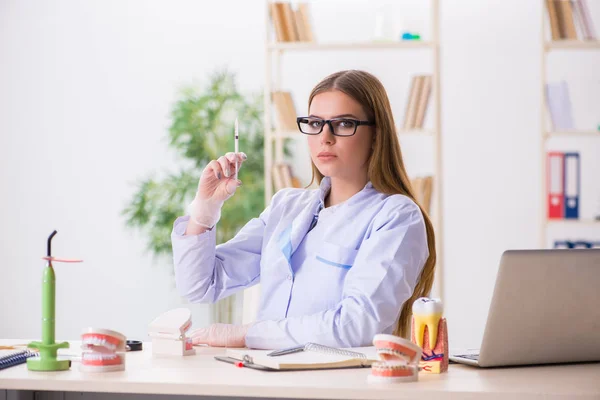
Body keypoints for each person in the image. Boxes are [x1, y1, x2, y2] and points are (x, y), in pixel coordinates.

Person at [171, 70, 436, 350]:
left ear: (376, 134)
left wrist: (248, 334)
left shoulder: (396, 217)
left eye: (344, 123)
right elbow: (200, 285)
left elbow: (357, 324)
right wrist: (205, 209)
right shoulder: (286, 206)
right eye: (315, 123)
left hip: (341, 385)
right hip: (268, 377)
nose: (325, 137)